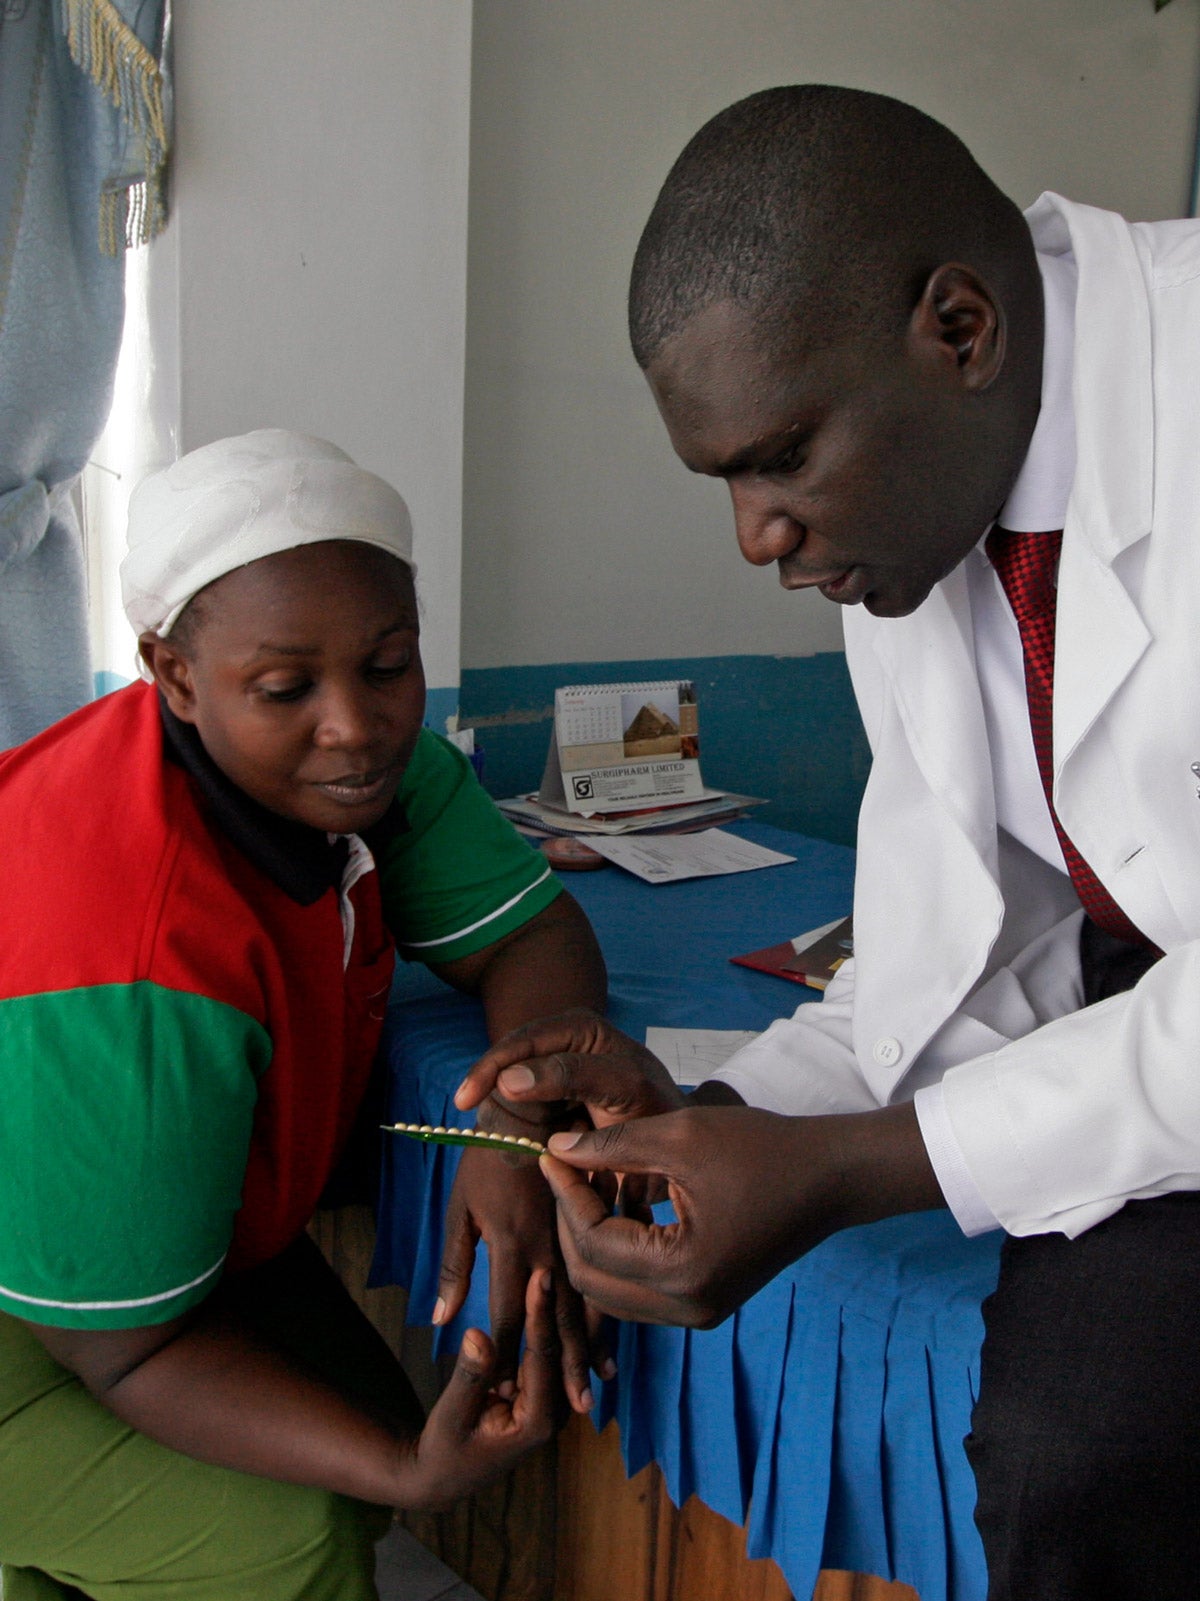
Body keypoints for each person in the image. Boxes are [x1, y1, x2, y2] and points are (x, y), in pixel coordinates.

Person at [454, 87, 1200, 1599]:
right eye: (726, 477)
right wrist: (697, 1117)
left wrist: (856, 1167)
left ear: (961, 329)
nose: (755, 535)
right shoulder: (917, 519)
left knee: (1088, 1445)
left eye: (779, 456)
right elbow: (961, 947)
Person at [0, 429, 608, 1601]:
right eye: (287, 688)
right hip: (42, 1318)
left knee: (358, 1428)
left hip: (132, 1253)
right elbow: (118, 1349)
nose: (357, 722)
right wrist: (399, 1466)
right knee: (287, 1532)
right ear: (172, 674)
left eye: (389, 664)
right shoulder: (127, 957)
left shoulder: (349, 775)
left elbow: (534, 934)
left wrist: (513, 1113)